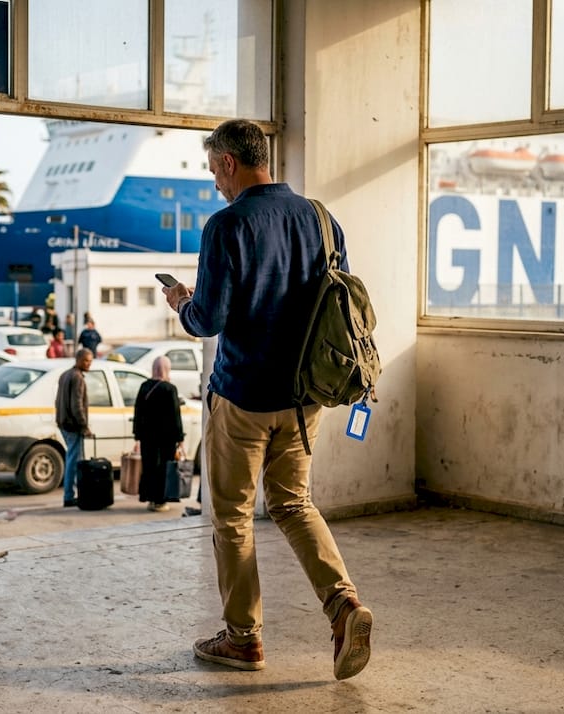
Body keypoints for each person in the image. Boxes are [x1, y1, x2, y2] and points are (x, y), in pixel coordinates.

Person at [163, 119, 372, 679]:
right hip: (306, 401)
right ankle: (344, 604)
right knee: (295, 503)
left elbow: (208, 319)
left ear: (230, 162)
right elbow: (337, 303)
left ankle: (243, 639)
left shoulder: (226, 226)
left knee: (232, 516)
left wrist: (181, 301)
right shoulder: (321, 219)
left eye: (213, 172)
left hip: (243, 398)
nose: (214, 184)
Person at [132, 356, 184, 512]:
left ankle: (150, 499)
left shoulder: (144, 386)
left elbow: (138, 412)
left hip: (147, 438)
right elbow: (175, 416)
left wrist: (137, 435)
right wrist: (180, 438)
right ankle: (160, 501)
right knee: (163, 469)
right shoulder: (169, 389)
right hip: (165, 439)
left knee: (149, 467)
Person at [54, 348, 94, 508]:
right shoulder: (77, 378)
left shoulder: (65, 375)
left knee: (75, 459)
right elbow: (76, 405)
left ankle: (77, 493)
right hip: (72, 425)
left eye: (90, 361)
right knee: (73, 460)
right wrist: (84, 426)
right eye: (86, 361)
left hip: (64, 422)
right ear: (78, 360)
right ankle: (69, 496)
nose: (88, 364)